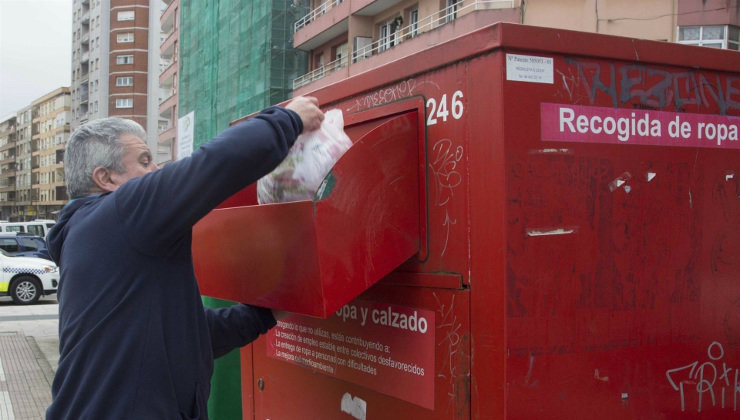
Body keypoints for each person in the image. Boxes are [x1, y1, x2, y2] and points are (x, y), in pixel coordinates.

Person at [45, 97, 324, 419]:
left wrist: (265, 315)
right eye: (145, 160)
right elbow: (214, 164)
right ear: (106, 179)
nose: (157, 170)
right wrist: (288, 119)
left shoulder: (95, 235)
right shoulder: (121, 213)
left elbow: (184, 335)